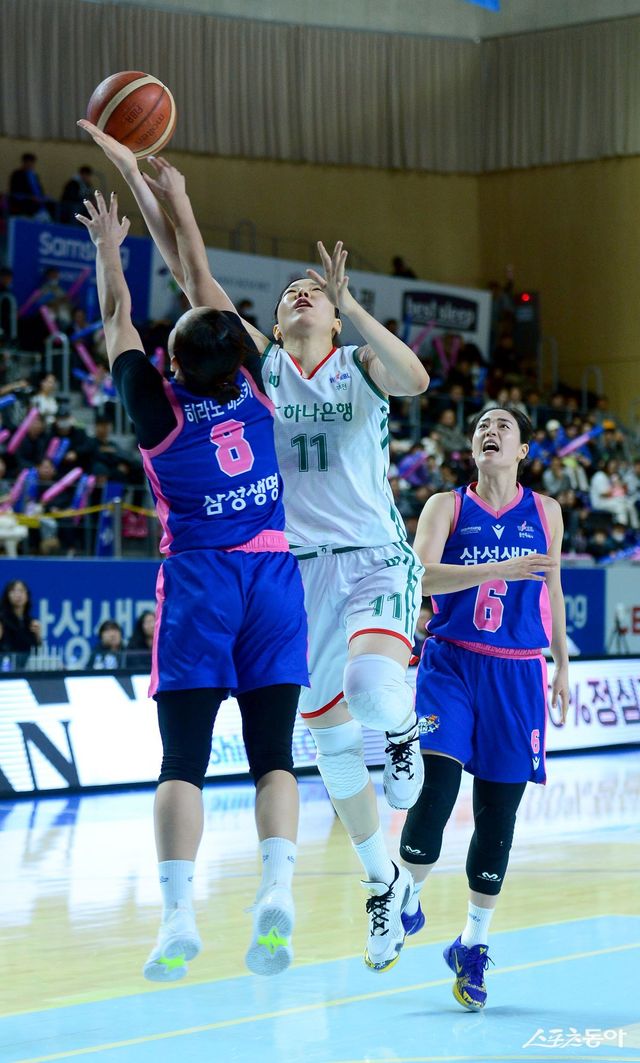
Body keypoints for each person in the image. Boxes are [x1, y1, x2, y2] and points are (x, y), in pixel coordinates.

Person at [77, 120, 430, 974]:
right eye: (290, 293)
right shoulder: (261, 374)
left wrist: (352, 305)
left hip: (370, 558)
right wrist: (152, 186)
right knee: (328, 751)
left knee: (372, 692)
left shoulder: (357, 365)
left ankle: (404, 732)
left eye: (314, 291)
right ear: (259, 326)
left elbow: (418, 379)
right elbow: (192, 277)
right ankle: (383, 881)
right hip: (290, 575)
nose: (301, 294)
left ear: (334, 312)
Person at [76, 187, 308, 982]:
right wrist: (176, 200)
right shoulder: (260, 386)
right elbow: (202, 280)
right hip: (272, 575)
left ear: (170, 365)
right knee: (274, 756)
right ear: (236, 350)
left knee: (182, 760)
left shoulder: (158, 410)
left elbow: (116, 318)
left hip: (201, 580)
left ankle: (178, 913)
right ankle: (277, 888)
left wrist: (109, 247)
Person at [397, 405, 569, 1011]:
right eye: (481, 427)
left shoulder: (546, 511)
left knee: (499, 818)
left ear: (522, 450)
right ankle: (404, 898)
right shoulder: (445, 506)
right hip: (451, 661)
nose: (489, 432)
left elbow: (552, 589)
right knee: (436, 789)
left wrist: (562, 664)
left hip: (518, 671)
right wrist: (498, 568)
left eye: (503, 427)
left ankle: (472, 944)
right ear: (472, 447)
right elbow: (419, 579)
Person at [0, 579, 42, 668]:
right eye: (13, 591)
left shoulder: (31, 622)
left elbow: (37, 651)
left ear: (27, 595)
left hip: (28, 667)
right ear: (7, 595)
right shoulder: (2, 620)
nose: (18, 595)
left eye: (21, 591)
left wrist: (38, 636)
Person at [8, 153, 54, 218]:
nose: (30, 165)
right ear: (24, 163)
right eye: (28, 162)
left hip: (38, 204)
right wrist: (32, 197)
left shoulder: (34, 176)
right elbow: (16, 192)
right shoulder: (17, 175)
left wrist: (44, 197)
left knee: (52, 206)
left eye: (32, 163)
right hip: (25, 204)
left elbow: (39, 191)